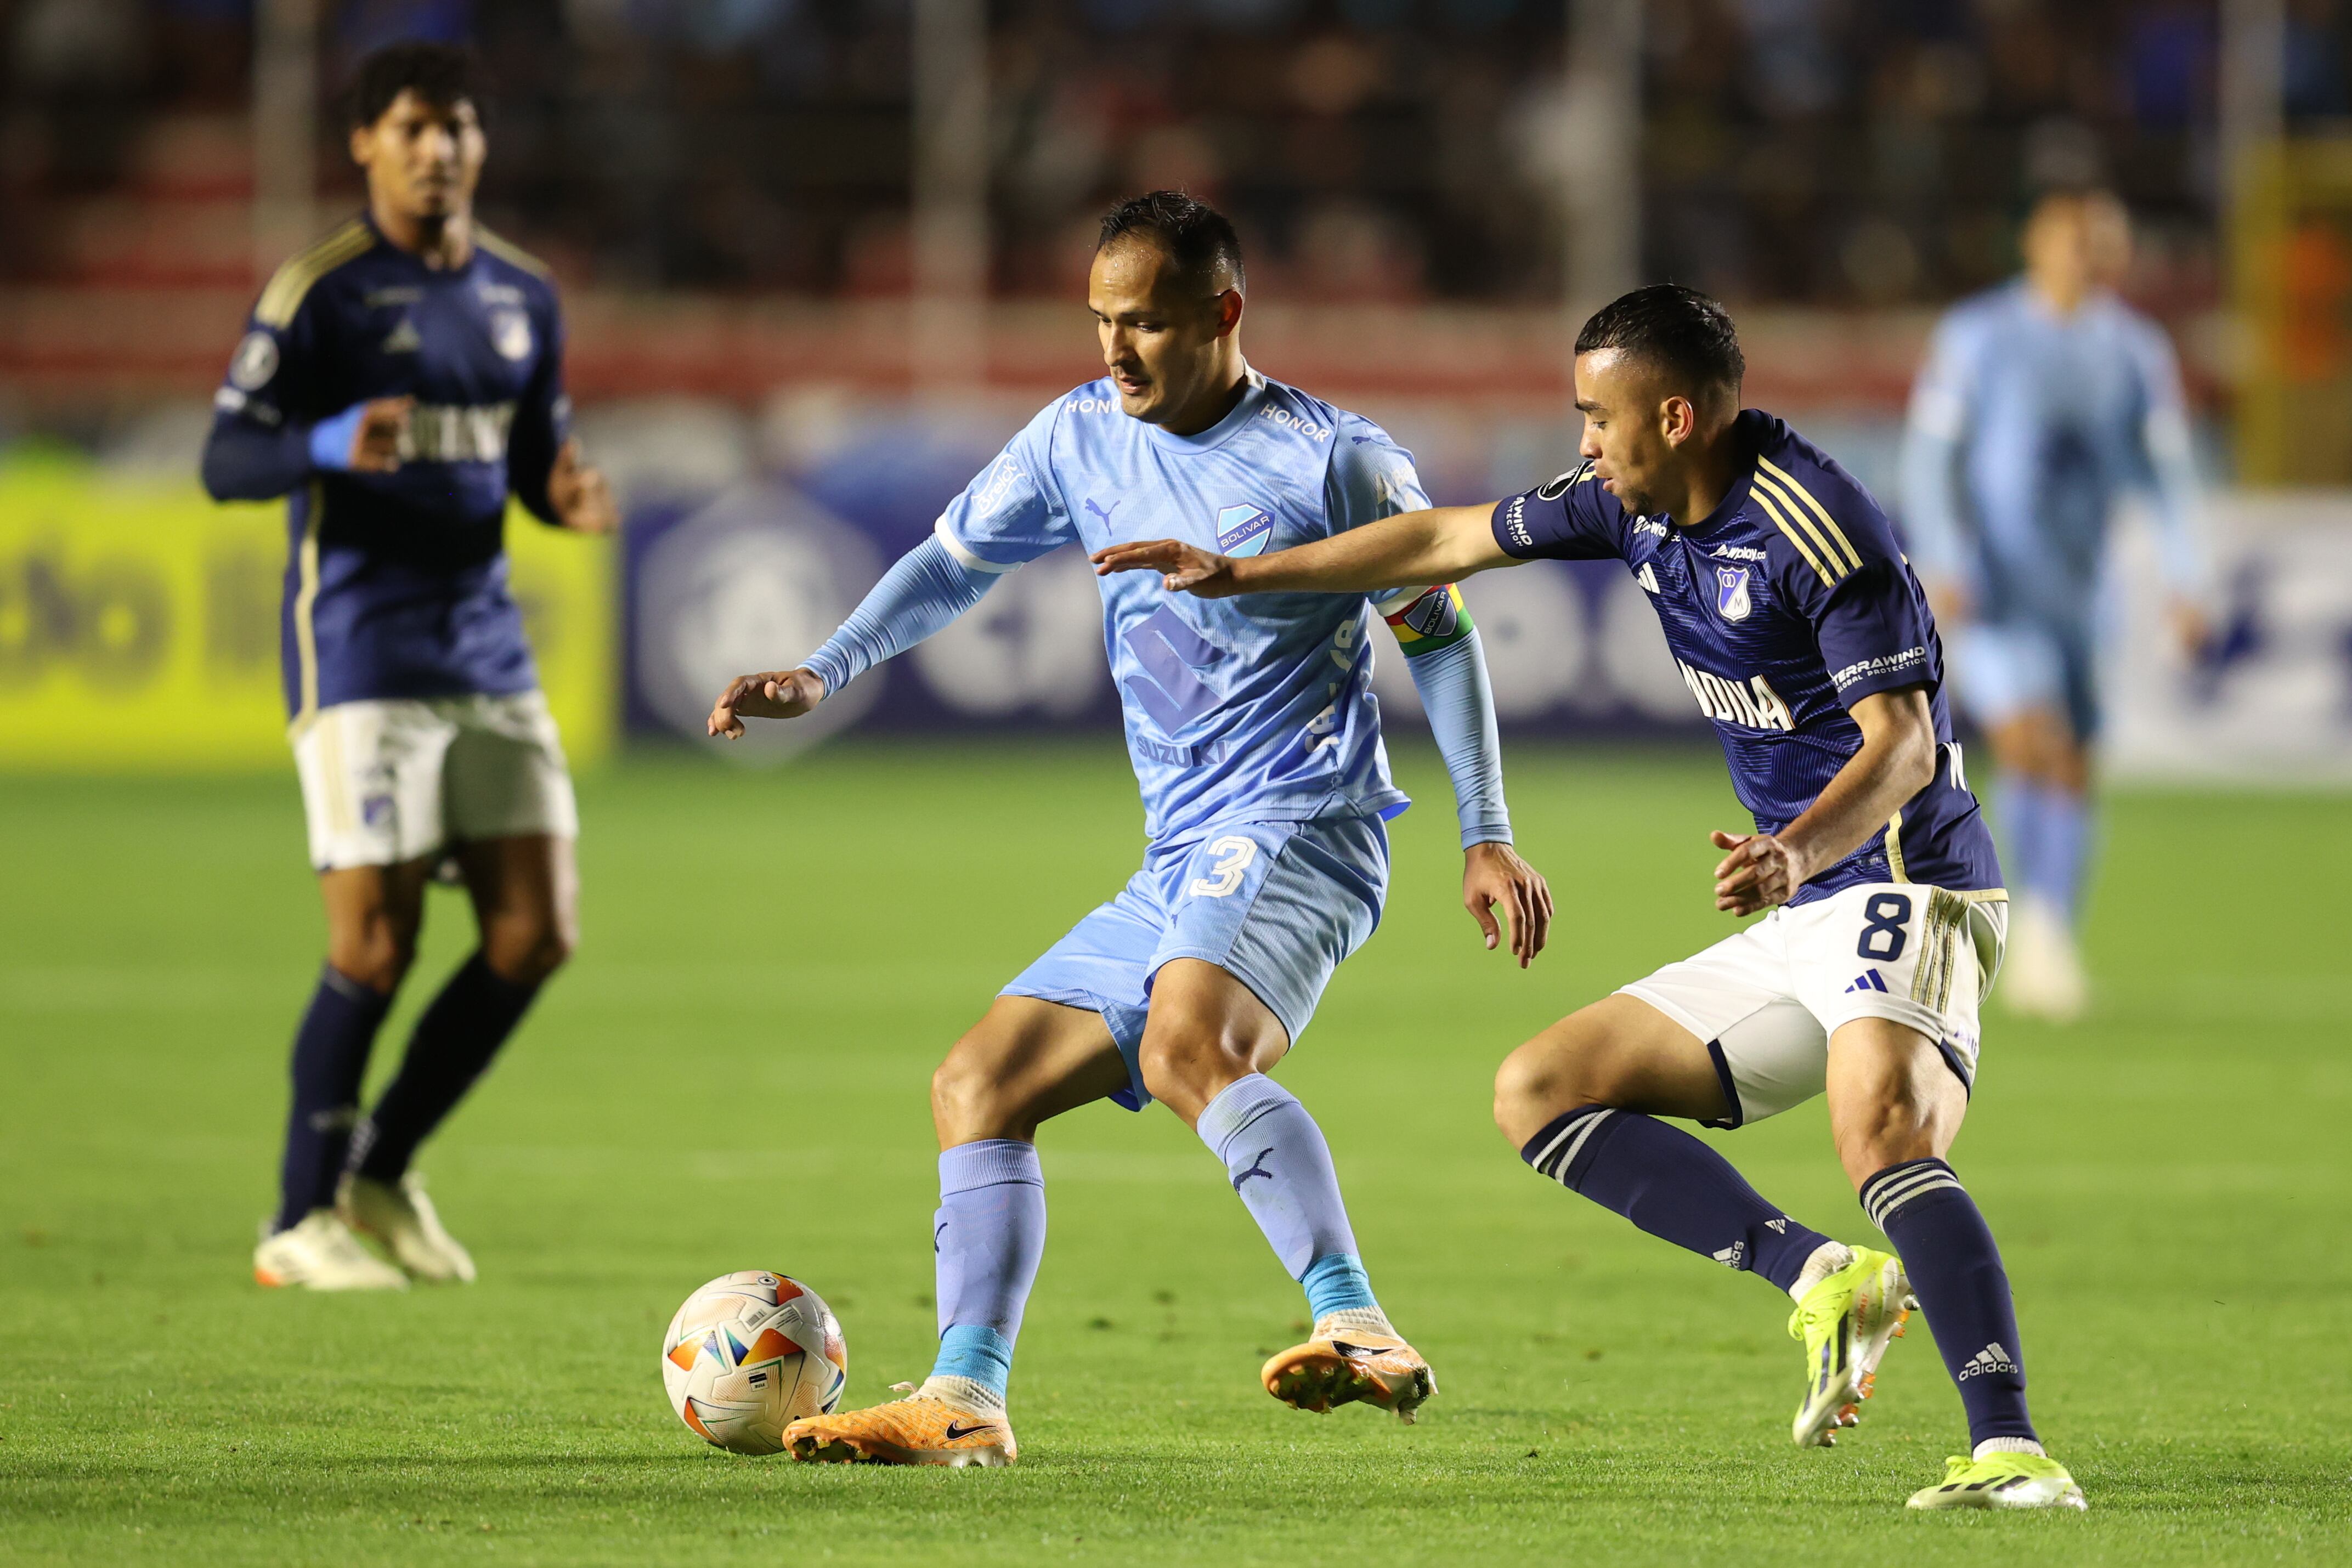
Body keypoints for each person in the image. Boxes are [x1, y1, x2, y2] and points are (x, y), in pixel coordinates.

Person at [1097, 284, 2085, 1512]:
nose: (1579, 441)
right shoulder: (1633, 508)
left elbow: (1905, 748)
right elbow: (1438, 541)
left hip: (1903, 878)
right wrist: (1249, 573)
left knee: (1879, 1126)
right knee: (1539, 1088)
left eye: (1593, 417)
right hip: (1800, 906)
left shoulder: (1816, 526)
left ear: (1673, 417)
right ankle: (1822, 1274)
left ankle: (2010, 1449)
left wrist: (1793, 847)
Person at [708, 191, 1550, 1466]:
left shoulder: (1333, 460)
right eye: (1100, 321)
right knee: (975, 1085)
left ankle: (1357, 1322)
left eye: (1145, 324)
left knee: (1182, 1046)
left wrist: (1483, 829)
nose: (1113, 352)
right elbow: (953, 560)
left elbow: (1434, 632)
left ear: (1223, 314)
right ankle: (964, 1397)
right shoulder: (1076, 437)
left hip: (1302, 826)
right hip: (1179, 855)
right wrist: (825, 669)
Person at [201, 42, 616, 1291]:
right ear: (365, 146)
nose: (439, 150)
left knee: (536, 933)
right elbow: (228, 459)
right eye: (415, 128)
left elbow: (536, 454)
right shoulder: (319, 292)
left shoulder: (522, 296)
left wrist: (565, 492)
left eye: (459, 129)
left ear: (481, 148)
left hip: (485, 645)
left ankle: (381, 1168)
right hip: (363, 647)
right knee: (373, 946)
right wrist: (329, 437)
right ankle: (295, 1218)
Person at [1900, 187, 2207, 1020]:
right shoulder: (1977, 337)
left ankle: (2049, 927)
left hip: (2083, 588)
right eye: (2075, 241)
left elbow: (2163, 472)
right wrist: (1945, 555)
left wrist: (2187, 578)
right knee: (2031, 736)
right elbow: (1933, 460)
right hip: (1996, 587)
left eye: (2104, 244)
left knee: (2074, 757)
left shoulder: (2136, 351)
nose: (2090, 257)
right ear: (2036, 246)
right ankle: (2023, 926)